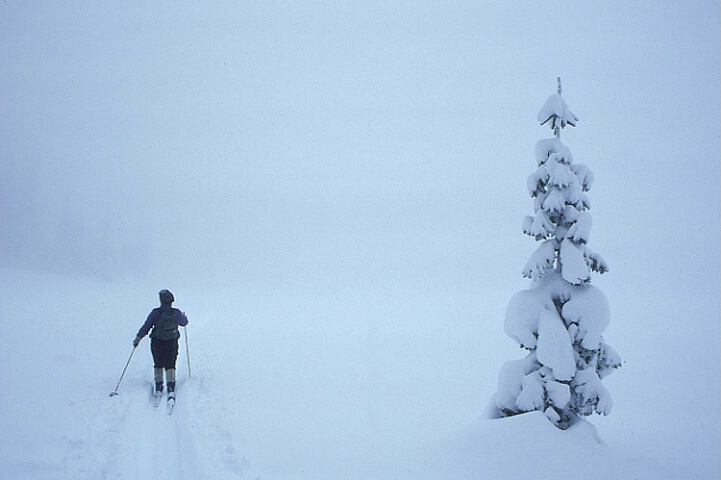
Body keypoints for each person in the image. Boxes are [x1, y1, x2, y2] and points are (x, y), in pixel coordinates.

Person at [133, 289, 188, 398]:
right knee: (170, 363)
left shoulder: (155, 312)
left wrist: (138, 337)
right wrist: (184, 316)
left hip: (157, 341)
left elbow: (146, 326)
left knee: (158, 362)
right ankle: (171, 386)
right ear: (172, 300)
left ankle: (159, 385)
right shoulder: (176, 312)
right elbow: (184, 323)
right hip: (172, 341)